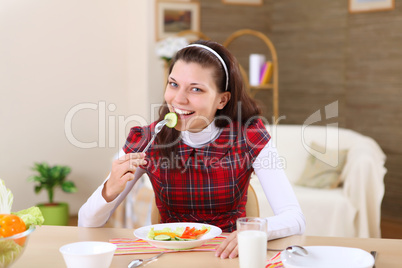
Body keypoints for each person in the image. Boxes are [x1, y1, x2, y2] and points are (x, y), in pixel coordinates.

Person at [78, 40, 305, 259]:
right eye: (173, 84)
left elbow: (295, 218)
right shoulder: (146, 139)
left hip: (227, 257)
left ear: (222, 100)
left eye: (196, 89)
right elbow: (86, 222)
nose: (178, 99)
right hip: (167, 258)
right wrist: (110, 189)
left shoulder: (249, 136)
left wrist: (254, 230)